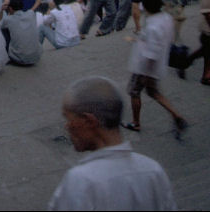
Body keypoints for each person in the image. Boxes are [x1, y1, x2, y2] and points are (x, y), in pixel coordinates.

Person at [49, 76, 175, 210]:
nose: (67, 127)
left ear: (88, 121)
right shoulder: (154, 171)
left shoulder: (81, 182)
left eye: (68, 119)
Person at [121, 0, 187, 135]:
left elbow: (151, 52)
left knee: (134, 92)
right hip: (156, 64)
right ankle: (175, 115)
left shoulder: (153, 27)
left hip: (144, 67)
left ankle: (136, 122)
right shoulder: (166, 18)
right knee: (153, 92)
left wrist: (146, 73)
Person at [1, 0, 42, 66]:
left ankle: (7, 55)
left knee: (4, 30)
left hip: (19, 58)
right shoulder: (31, 14)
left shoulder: (8, 20)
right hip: (36, 57)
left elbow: (0, 26)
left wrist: (1, 10)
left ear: (10, 8)